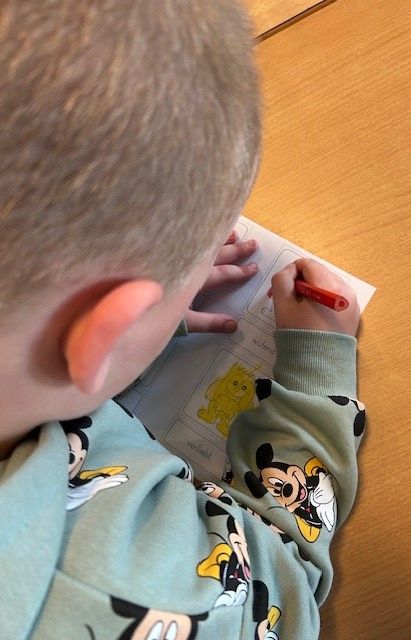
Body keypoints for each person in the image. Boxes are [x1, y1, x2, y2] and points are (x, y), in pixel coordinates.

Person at [0, 1, 364, 639]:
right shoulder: (132, 593)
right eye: (188, 278)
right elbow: (283, 585)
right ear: (104, 333)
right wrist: (315, 376)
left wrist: (133, 328)